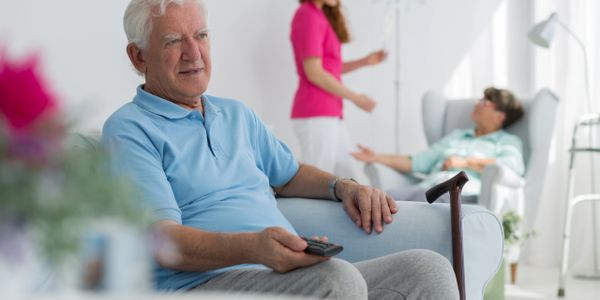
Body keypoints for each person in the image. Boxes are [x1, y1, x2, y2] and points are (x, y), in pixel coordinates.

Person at [103, 0, 459, 298]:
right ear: (138, 56)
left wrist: (344, 186)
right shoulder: (130, 129)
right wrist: (253, 248)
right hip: (204, 283)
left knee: (427, 270)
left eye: (201, 36)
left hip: (282, 274)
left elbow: (289, 175)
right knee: (336, 282)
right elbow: (162, 239)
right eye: (173, 41)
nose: (193, 53)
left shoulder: (236, 114)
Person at [352, 87, 525, 203]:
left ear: (499, 116)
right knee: (380, 200)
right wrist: (376, 157)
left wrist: (465, 162)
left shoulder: (508, 143)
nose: (476, 104)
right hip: (429, 188)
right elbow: (418, 161)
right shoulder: (457, 136)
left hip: (463, 194)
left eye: (483, 103)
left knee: (418, 203)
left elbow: (509, 168)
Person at [290, 0, 386, 178]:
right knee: (318, 179)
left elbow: (329, 67)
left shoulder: (319, 16)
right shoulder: (307, 15)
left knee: (348, 176)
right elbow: (315, 73)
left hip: (330, 112)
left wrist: (364, 61)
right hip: (315, 111)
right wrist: (356, 98)